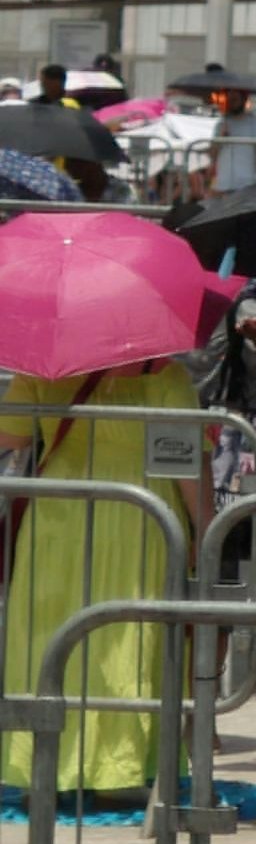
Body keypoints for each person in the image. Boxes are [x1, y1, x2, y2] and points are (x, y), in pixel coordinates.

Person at [0, 341, 213, 810]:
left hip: (57, 514)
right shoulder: (165, 377)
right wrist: (206, 528)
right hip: (139, 517)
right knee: (127, 639)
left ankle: (45, 764)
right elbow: (186, 463)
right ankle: (118, 767)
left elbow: (10, 438)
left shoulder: (43, 366)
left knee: (46, 637)